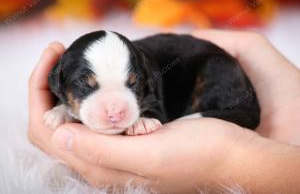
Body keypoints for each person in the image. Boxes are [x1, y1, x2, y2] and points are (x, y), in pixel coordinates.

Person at [28, 30, 300, 193]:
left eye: (131, 86)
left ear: (142, 78)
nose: (114, 110)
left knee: (215, 69)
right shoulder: (62, 79)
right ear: (59, 81)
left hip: (209, 71)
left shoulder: (151, 74)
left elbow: (155, 104)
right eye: (88, 89)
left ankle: (225, 112)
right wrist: (64, 108)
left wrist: (230, 160)